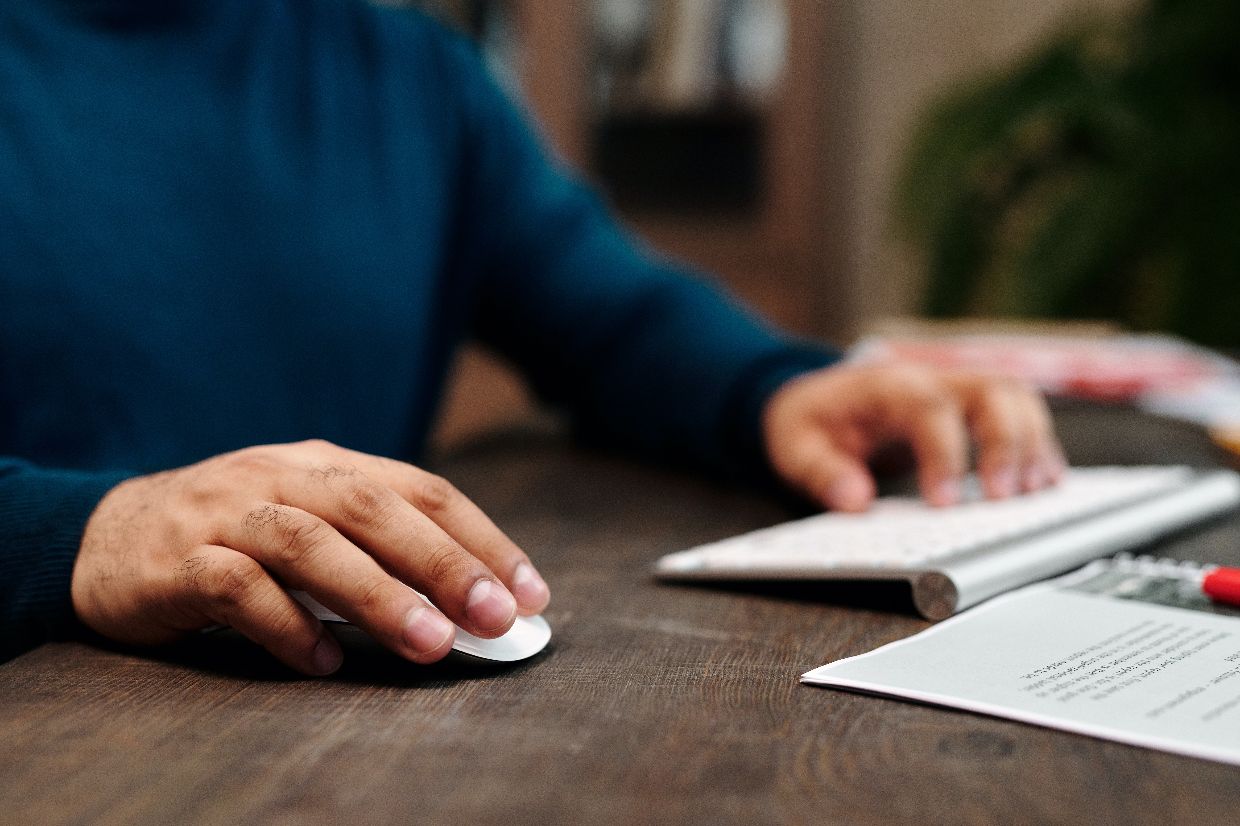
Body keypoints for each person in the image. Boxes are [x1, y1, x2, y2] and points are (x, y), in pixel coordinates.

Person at [0, 0, 1063, 673]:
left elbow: (605, 312)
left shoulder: (408, 68)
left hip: (338, 743)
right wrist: (94, 529)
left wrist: (777, 389)